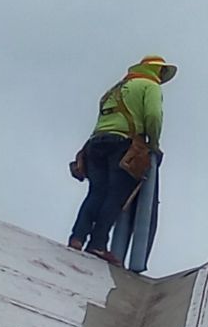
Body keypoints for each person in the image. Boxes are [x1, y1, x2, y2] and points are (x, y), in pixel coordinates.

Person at [69, 54, 176, 263]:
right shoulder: (150, 86)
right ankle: (98, 244)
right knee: (116, 195)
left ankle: (77, 237)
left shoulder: (116, 88)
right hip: (123, 144)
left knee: (96, 192)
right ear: (156, 70)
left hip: (95, 143)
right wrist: (153, 145)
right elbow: (153, 116)